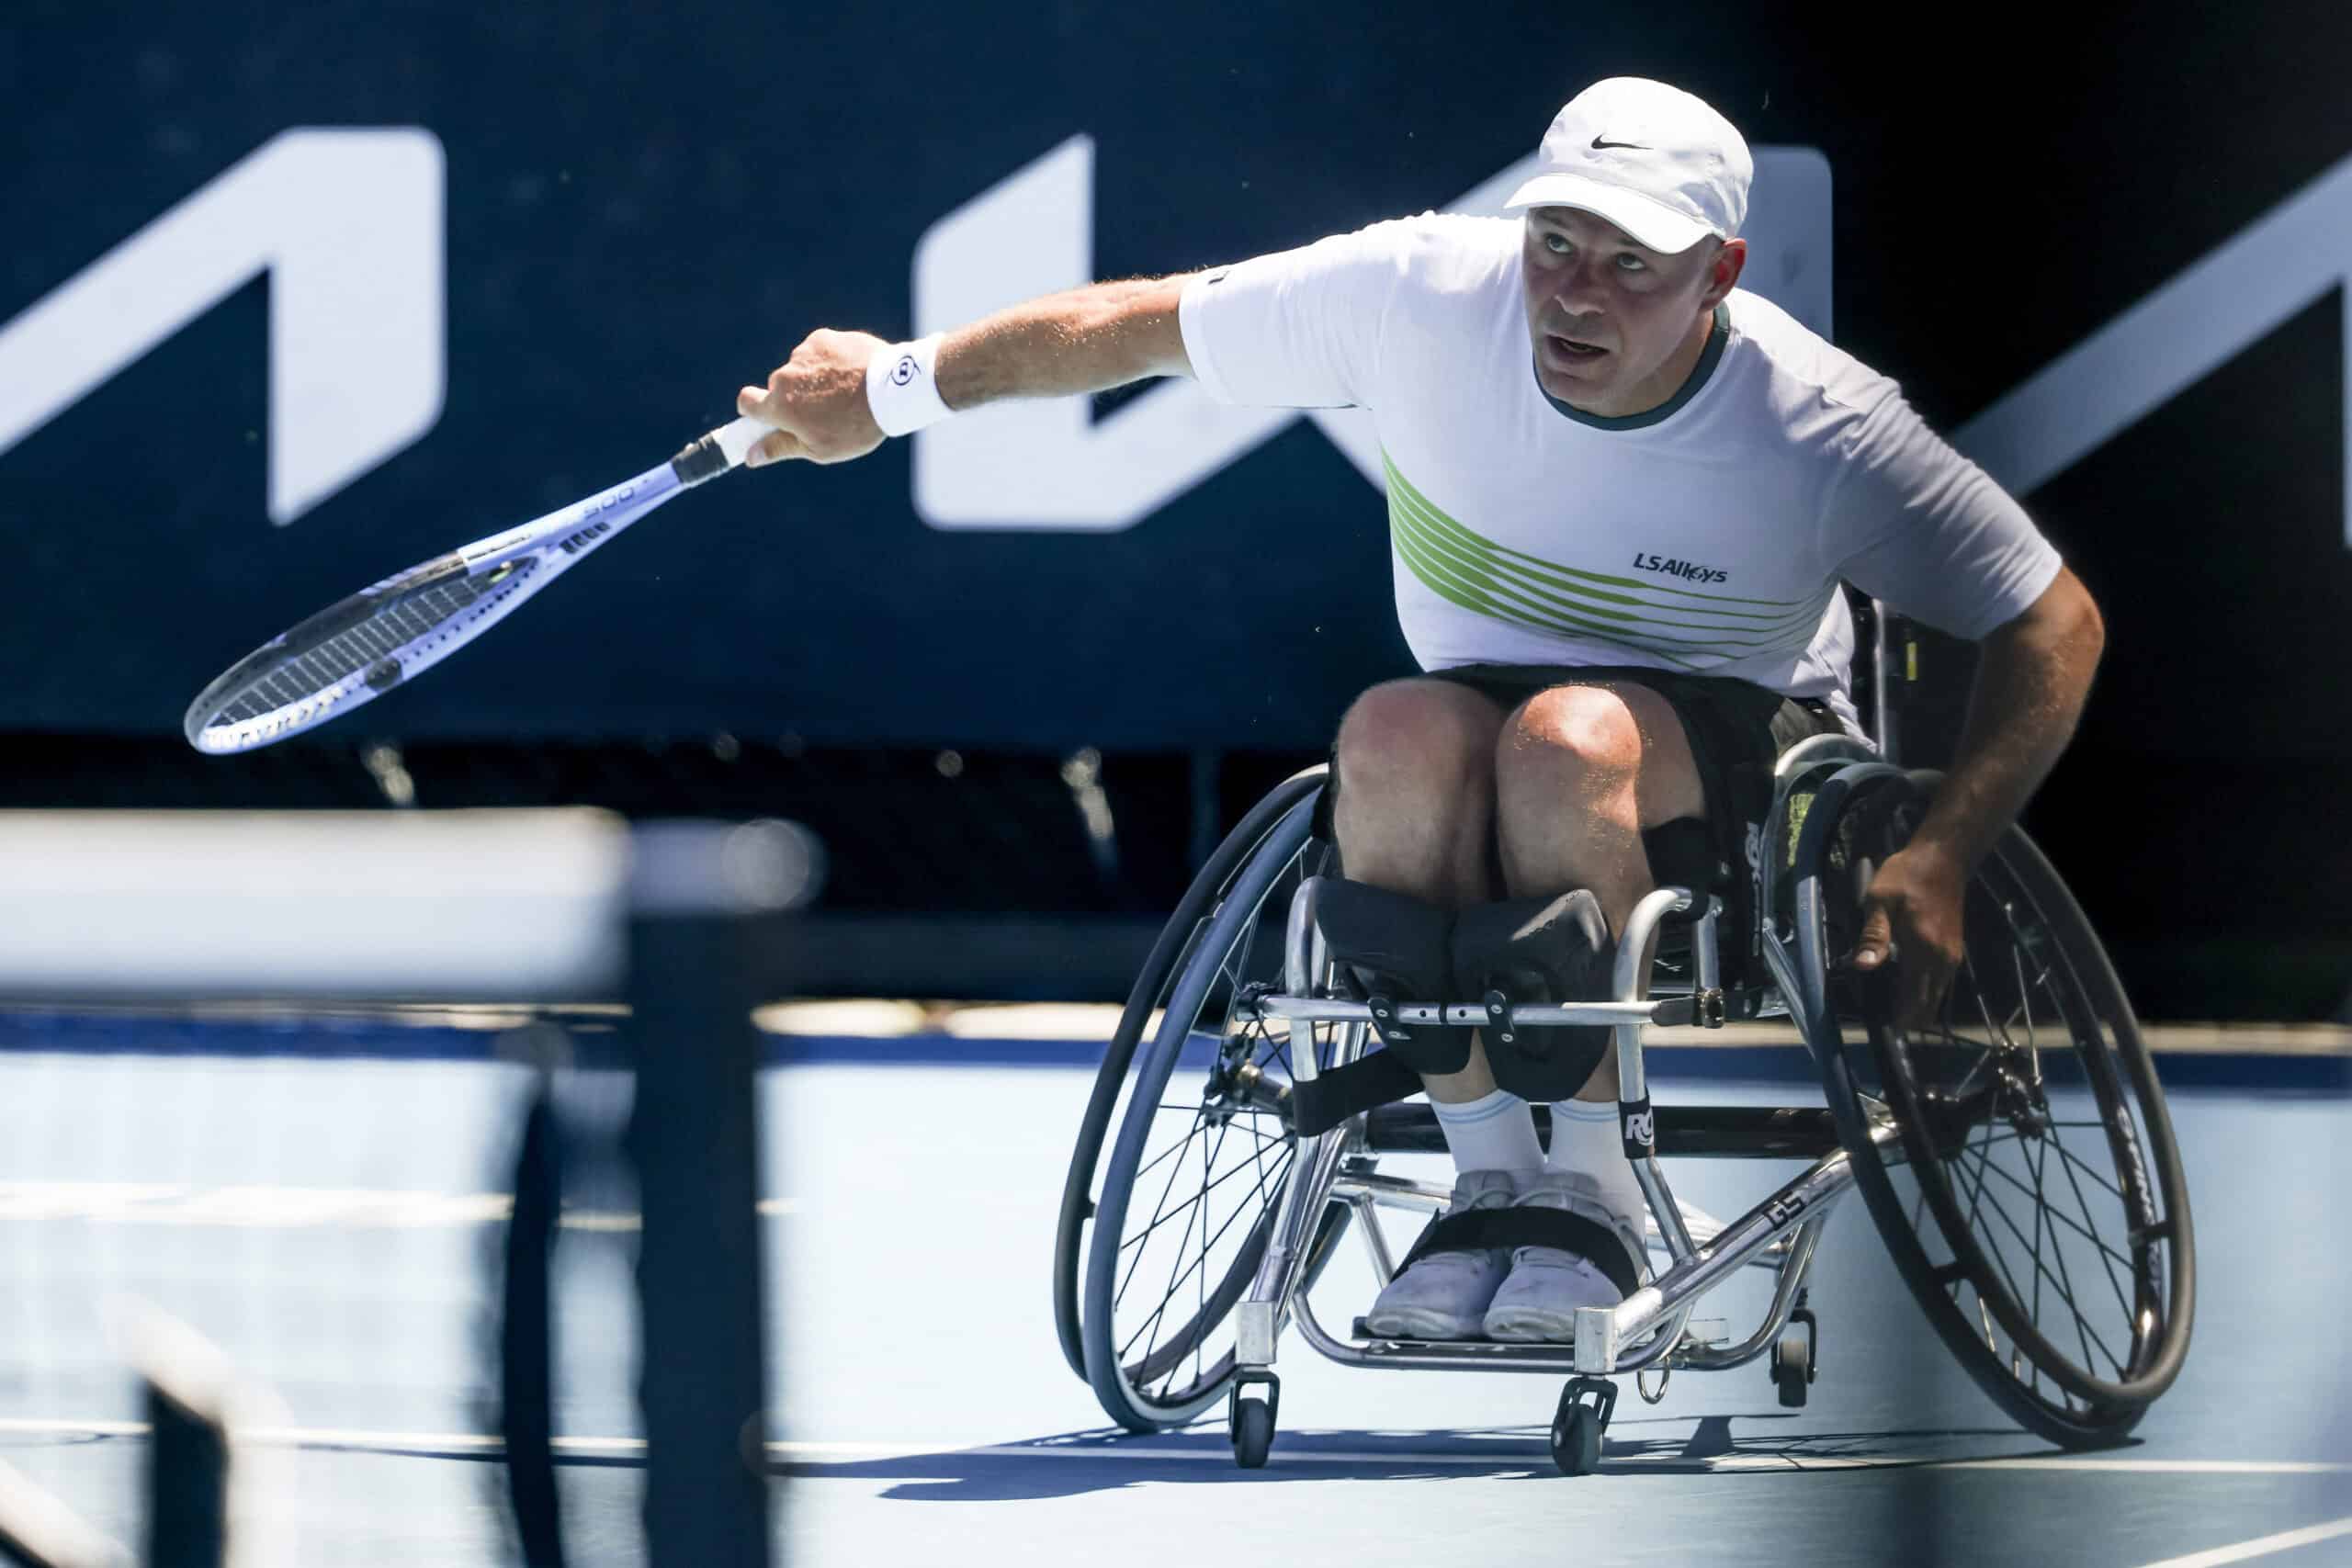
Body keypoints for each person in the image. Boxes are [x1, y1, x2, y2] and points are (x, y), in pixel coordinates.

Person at [734, 76, 2106, 1343]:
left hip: (1738, 739)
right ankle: (1491, 1184)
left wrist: (1940, 855)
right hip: (1475, 707)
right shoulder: (1415, 292)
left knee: (1562, 744)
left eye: (1633, 264)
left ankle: (1597, 1202)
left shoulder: (1818, 423)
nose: (1578, 293)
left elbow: (2054, 619)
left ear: (1719, 275)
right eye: (1557, 244)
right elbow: (1128, 328)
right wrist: (888, 391)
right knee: (1385, 733)